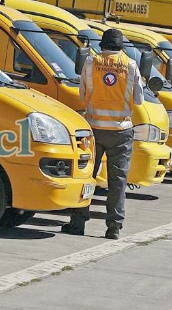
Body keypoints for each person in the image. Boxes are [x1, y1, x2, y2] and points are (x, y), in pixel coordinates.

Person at [61, 28, 143, 240]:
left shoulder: (90, 63)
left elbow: (82, 94)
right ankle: (113, 227)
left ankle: (78, 222)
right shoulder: (131, 65)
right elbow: (139, 100)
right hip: (121, 131)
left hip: (94, 129)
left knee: (87, 176)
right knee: (118, 181)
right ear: (121, 46)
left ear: (102, 45)